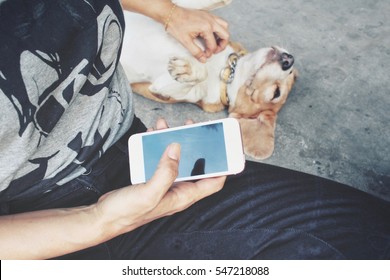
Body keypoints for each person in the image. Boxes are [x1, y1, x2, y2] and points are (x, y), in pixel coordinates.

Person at [0, 0, 389, 260]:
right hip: (49, 219)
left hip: (132, 142)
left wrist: (170, 13)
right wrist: (97, 219)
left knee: (373, 234)